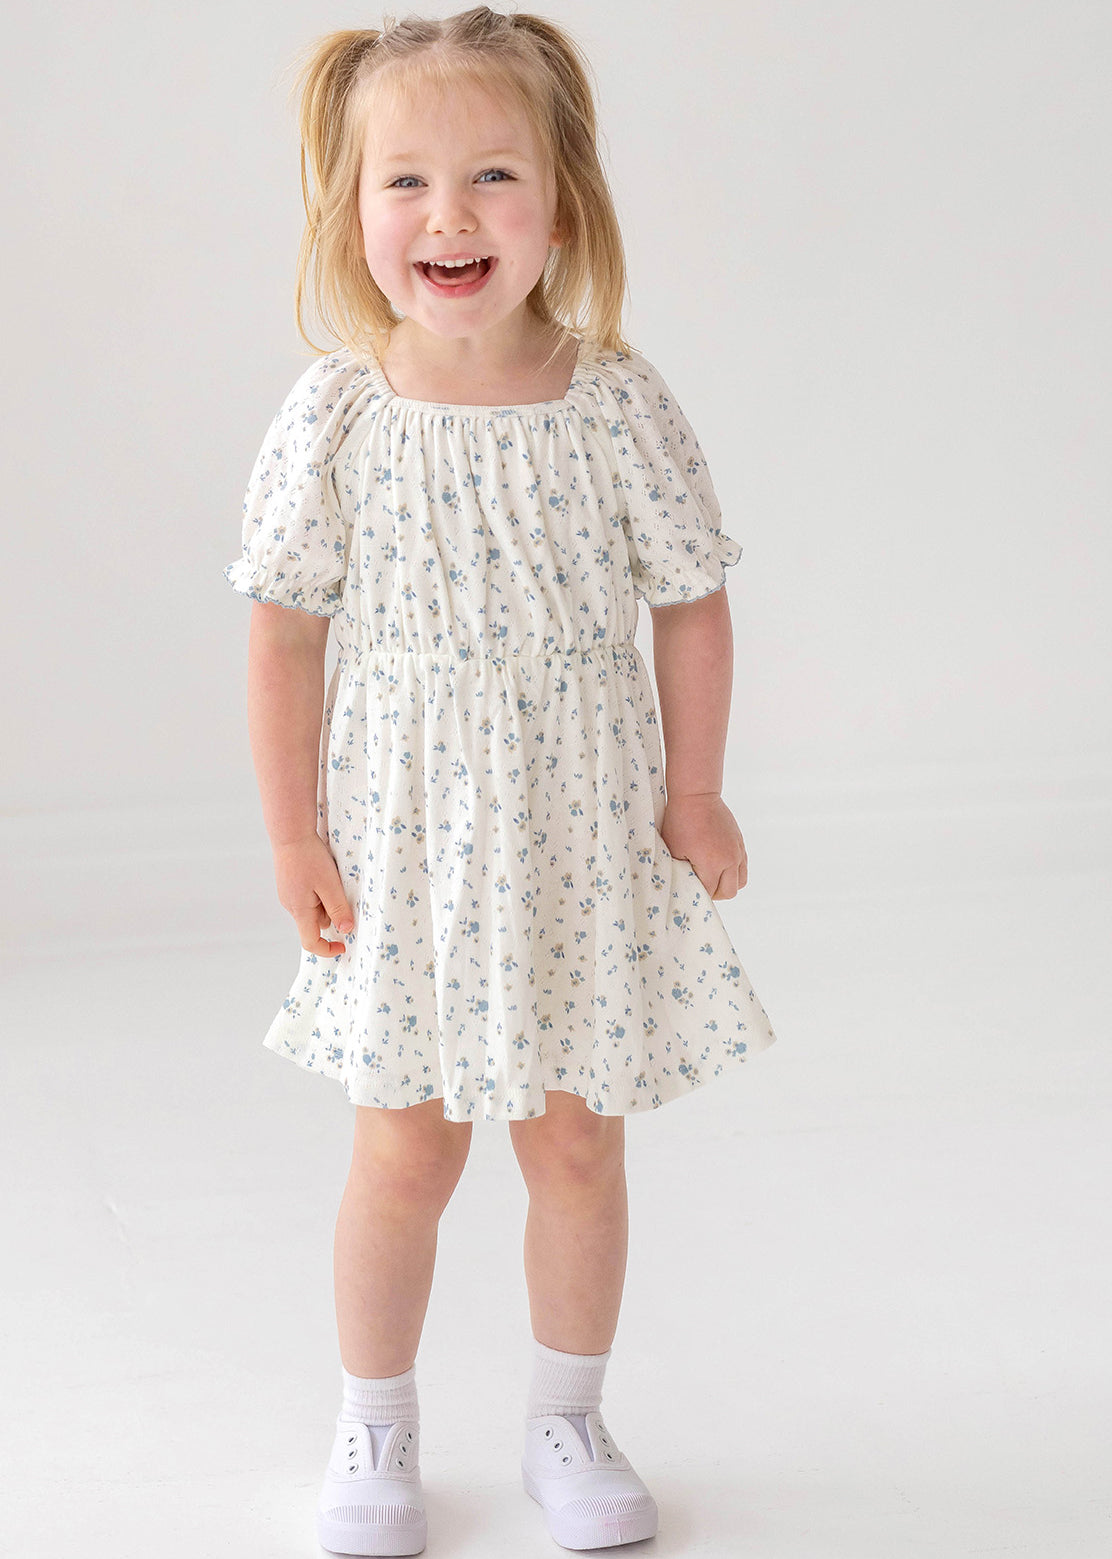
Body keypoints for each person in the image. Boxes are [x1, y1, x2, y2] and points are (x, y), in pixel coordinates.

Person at [223, 7, 778, 1553]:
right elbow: (281, 638)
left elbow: (691, 599)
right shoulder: (337, 413)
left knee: (577, 1138)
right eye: (405, 184)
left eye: (489, 177)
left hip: (577, 834)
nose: (449, 217)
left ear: (562, 199)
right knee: (403, 1143)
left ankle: (568, 1412)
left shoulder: (613, 400)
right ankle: (375, 1422)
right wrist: (295, 837)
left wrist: (698, 789)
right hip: (405, 844)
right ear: (351, 211)